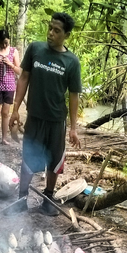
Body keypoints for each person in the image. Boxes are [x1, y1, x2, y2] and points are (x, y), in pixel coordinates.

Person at [8, 12, 82, 216]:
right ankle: (22, 199)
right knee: (28, 158)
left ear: (66, 35)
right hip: (35, 117)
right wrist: (15, 110)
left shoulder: (72, 62)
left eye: (57, 31)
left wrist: (73, 128)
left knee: (55, 160)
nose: (50, 33)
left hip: (57, 120)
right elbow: (23, 78)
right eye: (50, 28)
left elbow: (74, 96)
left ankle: (48, 199)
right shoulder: (35, 49)